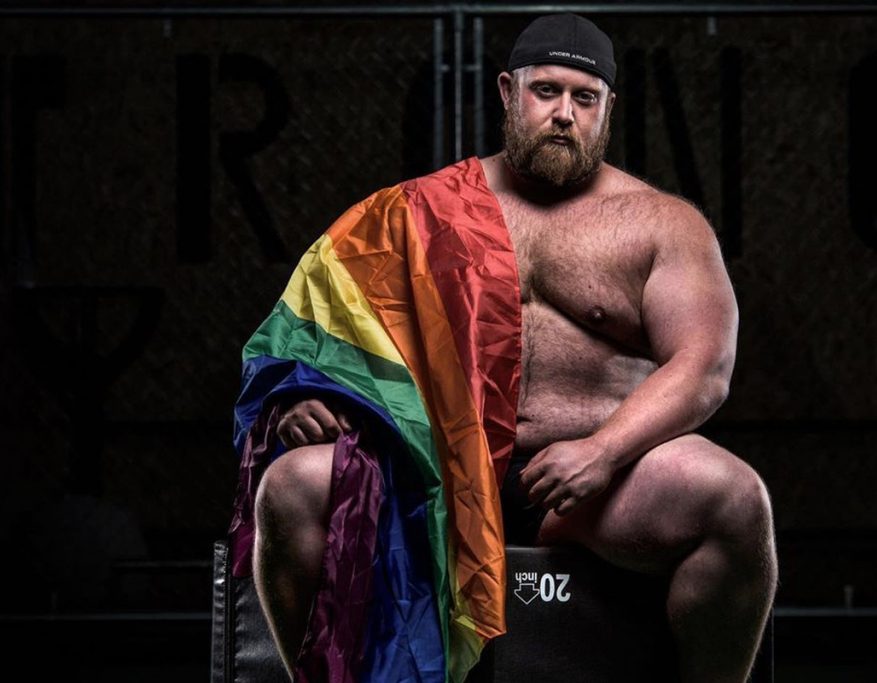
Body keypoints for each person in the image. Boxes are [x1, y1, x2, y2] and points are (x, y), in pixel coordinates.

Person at [230, 12, 777, 683]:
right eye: (546, 91)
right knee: (289, 487)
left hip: (594, 484)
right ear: (507, 92)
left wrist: (601, 452)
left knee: (736, 500)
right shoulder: (419, 210)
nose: (563, 115)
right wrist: (307, 395)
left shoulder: (661, 224)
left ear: (609, 108)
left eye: (585, 97)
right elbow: (325, 326)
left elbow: (704, 367)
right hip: (437, 474)